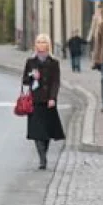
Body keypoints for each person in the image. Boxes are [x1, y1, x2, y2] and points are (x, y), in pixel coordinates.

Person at [22, 35, 65, 170]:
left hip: (48, 101)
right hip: (34, 100)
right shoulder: (30, 61)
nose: (41, 45)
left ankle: (44, 152)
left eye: (44, 42)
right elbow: (24, 80)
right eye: (39, 42)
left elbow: (56, 82)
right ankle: (42, 158)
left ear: (48, 45)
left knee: (47, 132)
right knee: (36, 131)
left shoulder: (53, 63)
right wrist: (31, 76)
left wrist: (53, 98)